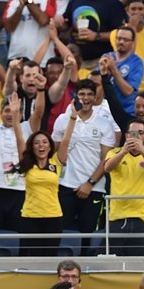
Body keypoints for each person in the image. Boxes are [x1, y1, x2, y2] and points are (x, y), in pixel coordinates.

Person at [51, 78, 116, 254]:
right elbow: (55, 153)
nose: (85, 98)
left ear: (95, 98)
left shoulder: (104, 124)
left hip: (94, 188)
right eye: (82, 94)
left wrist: (90, 182)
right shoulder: (63, 120)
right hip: (65, 185)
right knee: (62, 231)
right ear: (76, 96)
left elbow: (106, 159)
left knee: (88, 233)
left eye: (89, 95)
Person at [104, 117, 144, 256]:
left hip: (142, 216)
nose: (135, 136)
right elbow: (107, 167)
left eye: (140, 133)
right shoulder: (114, 153)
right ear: (126, 135)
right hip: (118, 216)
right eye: (132, 133)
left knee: (141, 260)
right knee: (115, 259)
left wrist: (142, 150)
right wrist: (124, 151)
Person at [16, 119, 73, 256]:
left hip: (53, 217)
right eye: (36, 143)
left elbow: (65, 140)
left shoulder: (56, 161)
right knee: (31, 258)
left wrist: (72, 118)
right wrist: (15, 114)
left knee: (50, 257)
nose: (41, 145)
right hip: (30, 217)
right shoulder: (27, 164)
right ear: (32, 147)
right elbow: (19, 139)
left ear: (49, 146)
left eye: (44, 142)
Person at [63, 0, 126, 71]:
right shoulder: (76, 0)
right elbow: (65, 25)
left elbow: (121, 33)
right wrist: (59, 22)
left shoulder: (113, 3)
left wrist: (96, 36)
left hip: (100, 60)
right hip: (76, 61)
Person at [4, 0, 57, 65]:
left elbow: (43, 20)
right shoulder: (13, 2)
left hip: (43, 58)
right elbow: (8, 28)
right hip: (16, 56)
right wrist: (20, 7)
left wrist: (27, 0)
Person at [100, 24, 144, 115]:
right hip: (104, 109)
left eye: (126, 40)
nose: (121, 42)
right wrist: (104, 74)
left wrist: (113, 70)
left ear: (132, 43)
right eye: (119, 38)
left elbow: (128, 92)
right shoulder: (106, 57)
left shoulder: (137, 63)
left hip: (125, 111)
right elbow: (97, 85)